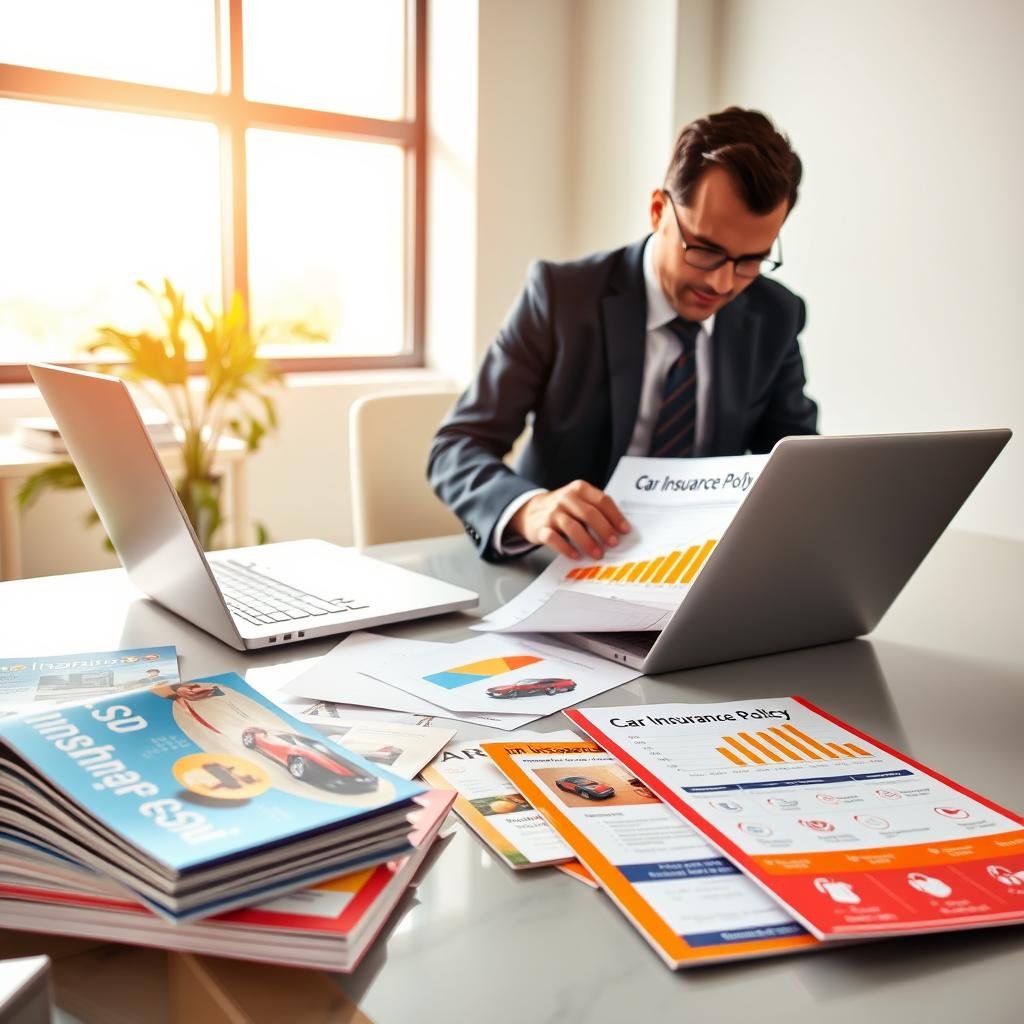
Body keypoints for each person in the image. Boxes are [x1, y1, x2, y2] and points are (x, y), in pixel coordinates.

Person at [428, 107, 817, 563]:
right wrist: (530, 509)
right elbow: (456, 448)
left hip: (696, 569)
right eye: (705, 250)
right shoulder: (562, 297)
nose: (722, 283)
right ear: (658, 210)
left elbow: (797, 466)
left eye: (750, 260)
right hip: (563, 562)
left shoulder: (775, 314)